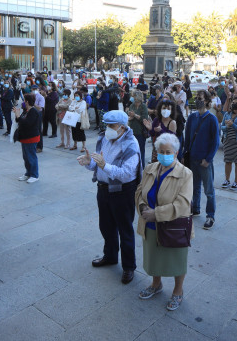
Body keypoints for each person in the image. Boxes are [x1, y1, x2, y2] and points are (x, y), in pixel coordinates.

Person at [78, 110, 141, 284]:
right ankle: (110, 255)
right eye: (106, 125)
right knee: (106, 226)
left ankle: (129, 267)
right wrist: (89, 162)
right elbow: (97, 163)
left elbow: (127, 174)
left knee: (125, 229)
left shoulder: (131, 144)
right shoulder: (104, 138)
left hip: (122, 192)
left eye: (111, 126)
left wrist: (104, 165)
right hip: (103, 189)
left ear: (122, 127)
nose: (108, 129)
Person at [135, 133, 193, 311]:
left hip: (174, 226)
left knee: (177, 261)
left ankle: (178, 291)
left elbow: (183, 204)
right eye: (161, 151)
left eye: (168, 151)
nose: (164, 154)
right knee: (154, 257)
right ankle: (156, 284)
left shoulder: (185, 173)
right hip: (150, 223)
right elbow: (139, 191)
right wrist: (144, 207)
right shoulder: (150, 168)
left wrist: (157, 213)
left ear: (175, 153)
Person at [184, 90, 220, 230]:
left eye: (200, 98)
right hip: (192, 158)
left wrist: (208, 159)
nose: (198, 100)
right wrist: (184, 153)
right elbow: (187, 137)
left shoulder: (211, 119)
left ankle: (210, 216)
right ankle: (196, 208)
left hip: (204, 160)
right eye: (197, 97)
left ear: (207, 101)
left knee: (209, 190)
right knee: (194, 187)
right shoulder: (192, 117)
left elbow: (215, 142)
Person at [220, 96, 237, 190]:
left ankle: (236, 182)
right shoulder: (227, 114)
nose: (234, 104)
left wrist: (233, 124)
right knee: (227, 161)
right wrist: (227, 126)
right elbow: (222, 127)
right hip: (228, 141)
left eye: (236, 103)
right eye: (233, 102)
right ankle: (227, 180)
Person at [15, 94, 42, 183]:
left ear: (27, 101)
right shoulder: (26, 111)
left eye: (24, 100)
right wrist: (17, 115)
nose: (23, 102)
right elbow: (20, 121)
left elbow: (28, 123)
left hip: (31, 137)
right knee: (26, 157)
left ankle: (34, 175)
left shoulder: (33, 111)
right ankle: (28, 173)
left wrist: (18, 117)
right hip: (24, 137)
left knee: (31, 156)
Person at [126, 90, 149, 169]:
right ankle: (134, 167)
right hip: (132, 131)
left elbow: (144, 118)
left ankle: (142, 167)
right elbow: (129, 115)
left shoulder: (143, 106)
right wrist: (130, 116)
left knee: (140, 150)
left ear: (138, 97)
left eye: (133, 96)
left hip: (140, 132)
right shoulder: (132, 105)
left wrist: (135, 115)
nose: (132, 98)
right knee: (132, 150)